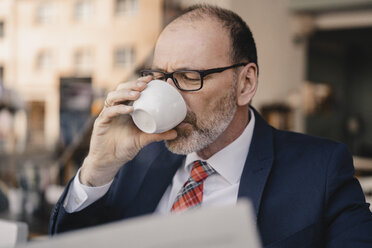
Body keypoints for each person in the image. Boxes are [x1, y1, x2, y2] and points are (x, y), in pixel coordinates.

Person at [49, 4, 372, 247]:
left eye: (190, 77)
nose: (168, 92)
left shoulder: (321, 169)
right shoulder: (135, 161)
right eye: (159, 78)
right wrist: (97, 170)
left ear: (245, 83)